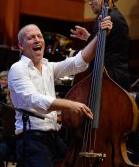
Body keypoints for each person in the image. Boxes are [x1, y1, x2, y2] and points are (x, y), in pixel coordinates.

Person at [9, 21, 112, 167]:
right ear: (21, 45)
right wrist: (69, 104)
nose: (37, 40)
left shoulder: (48, 67)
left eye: (39, 36)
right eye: (31, 37)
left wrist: (100, 35)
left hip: (52, 138)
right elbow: (33, 99)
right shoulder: (18, 68)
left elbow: (79, 61)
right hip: (32, 140)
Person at [70, 0, 139, 163]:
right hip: (115, 77)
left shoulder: (108, 18)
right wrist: (89, 38)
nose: (90, 2)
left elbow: (99, 53)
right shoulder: (115, 17)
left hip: (109, 79)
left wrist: (76, 56)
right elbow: (109, 46)